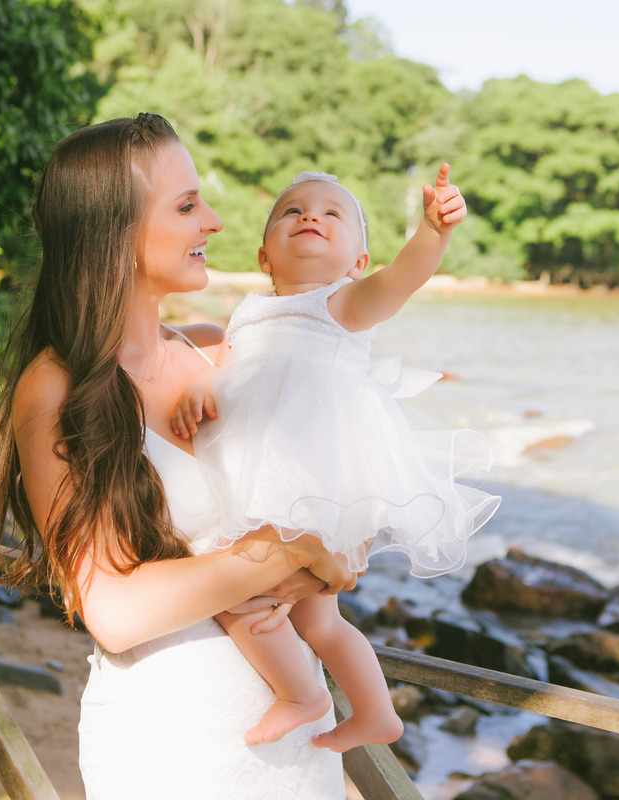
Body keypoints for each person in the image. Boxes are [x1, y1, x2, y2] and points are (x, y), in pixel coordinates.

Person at [0, 113, 356, 799]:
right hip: (173, 746)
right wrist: (287, 552)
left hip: (297, 748)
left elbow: (347, 483)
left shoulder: (222, 352)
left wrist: (341, 544)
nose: (213, 221)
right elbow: (115, 611)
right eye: (186, 205)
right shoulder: (57, 386)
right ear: (115, 233)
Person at [169, 168, 502, 752]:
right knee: (313, 617)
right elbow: (229, 369)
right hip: (255, 473)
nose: (310, 216)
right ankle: (376, 713)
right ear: (264, 256)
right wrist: (203, 384)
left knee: (243, 593)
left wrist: (433, 231)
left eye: (331, 213)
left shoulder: (344, 302)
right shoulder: (248, 312)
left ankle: (303, 695)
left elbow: (403, 278)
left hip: (316, 478)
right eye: (292, 211)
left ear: (358, 262)